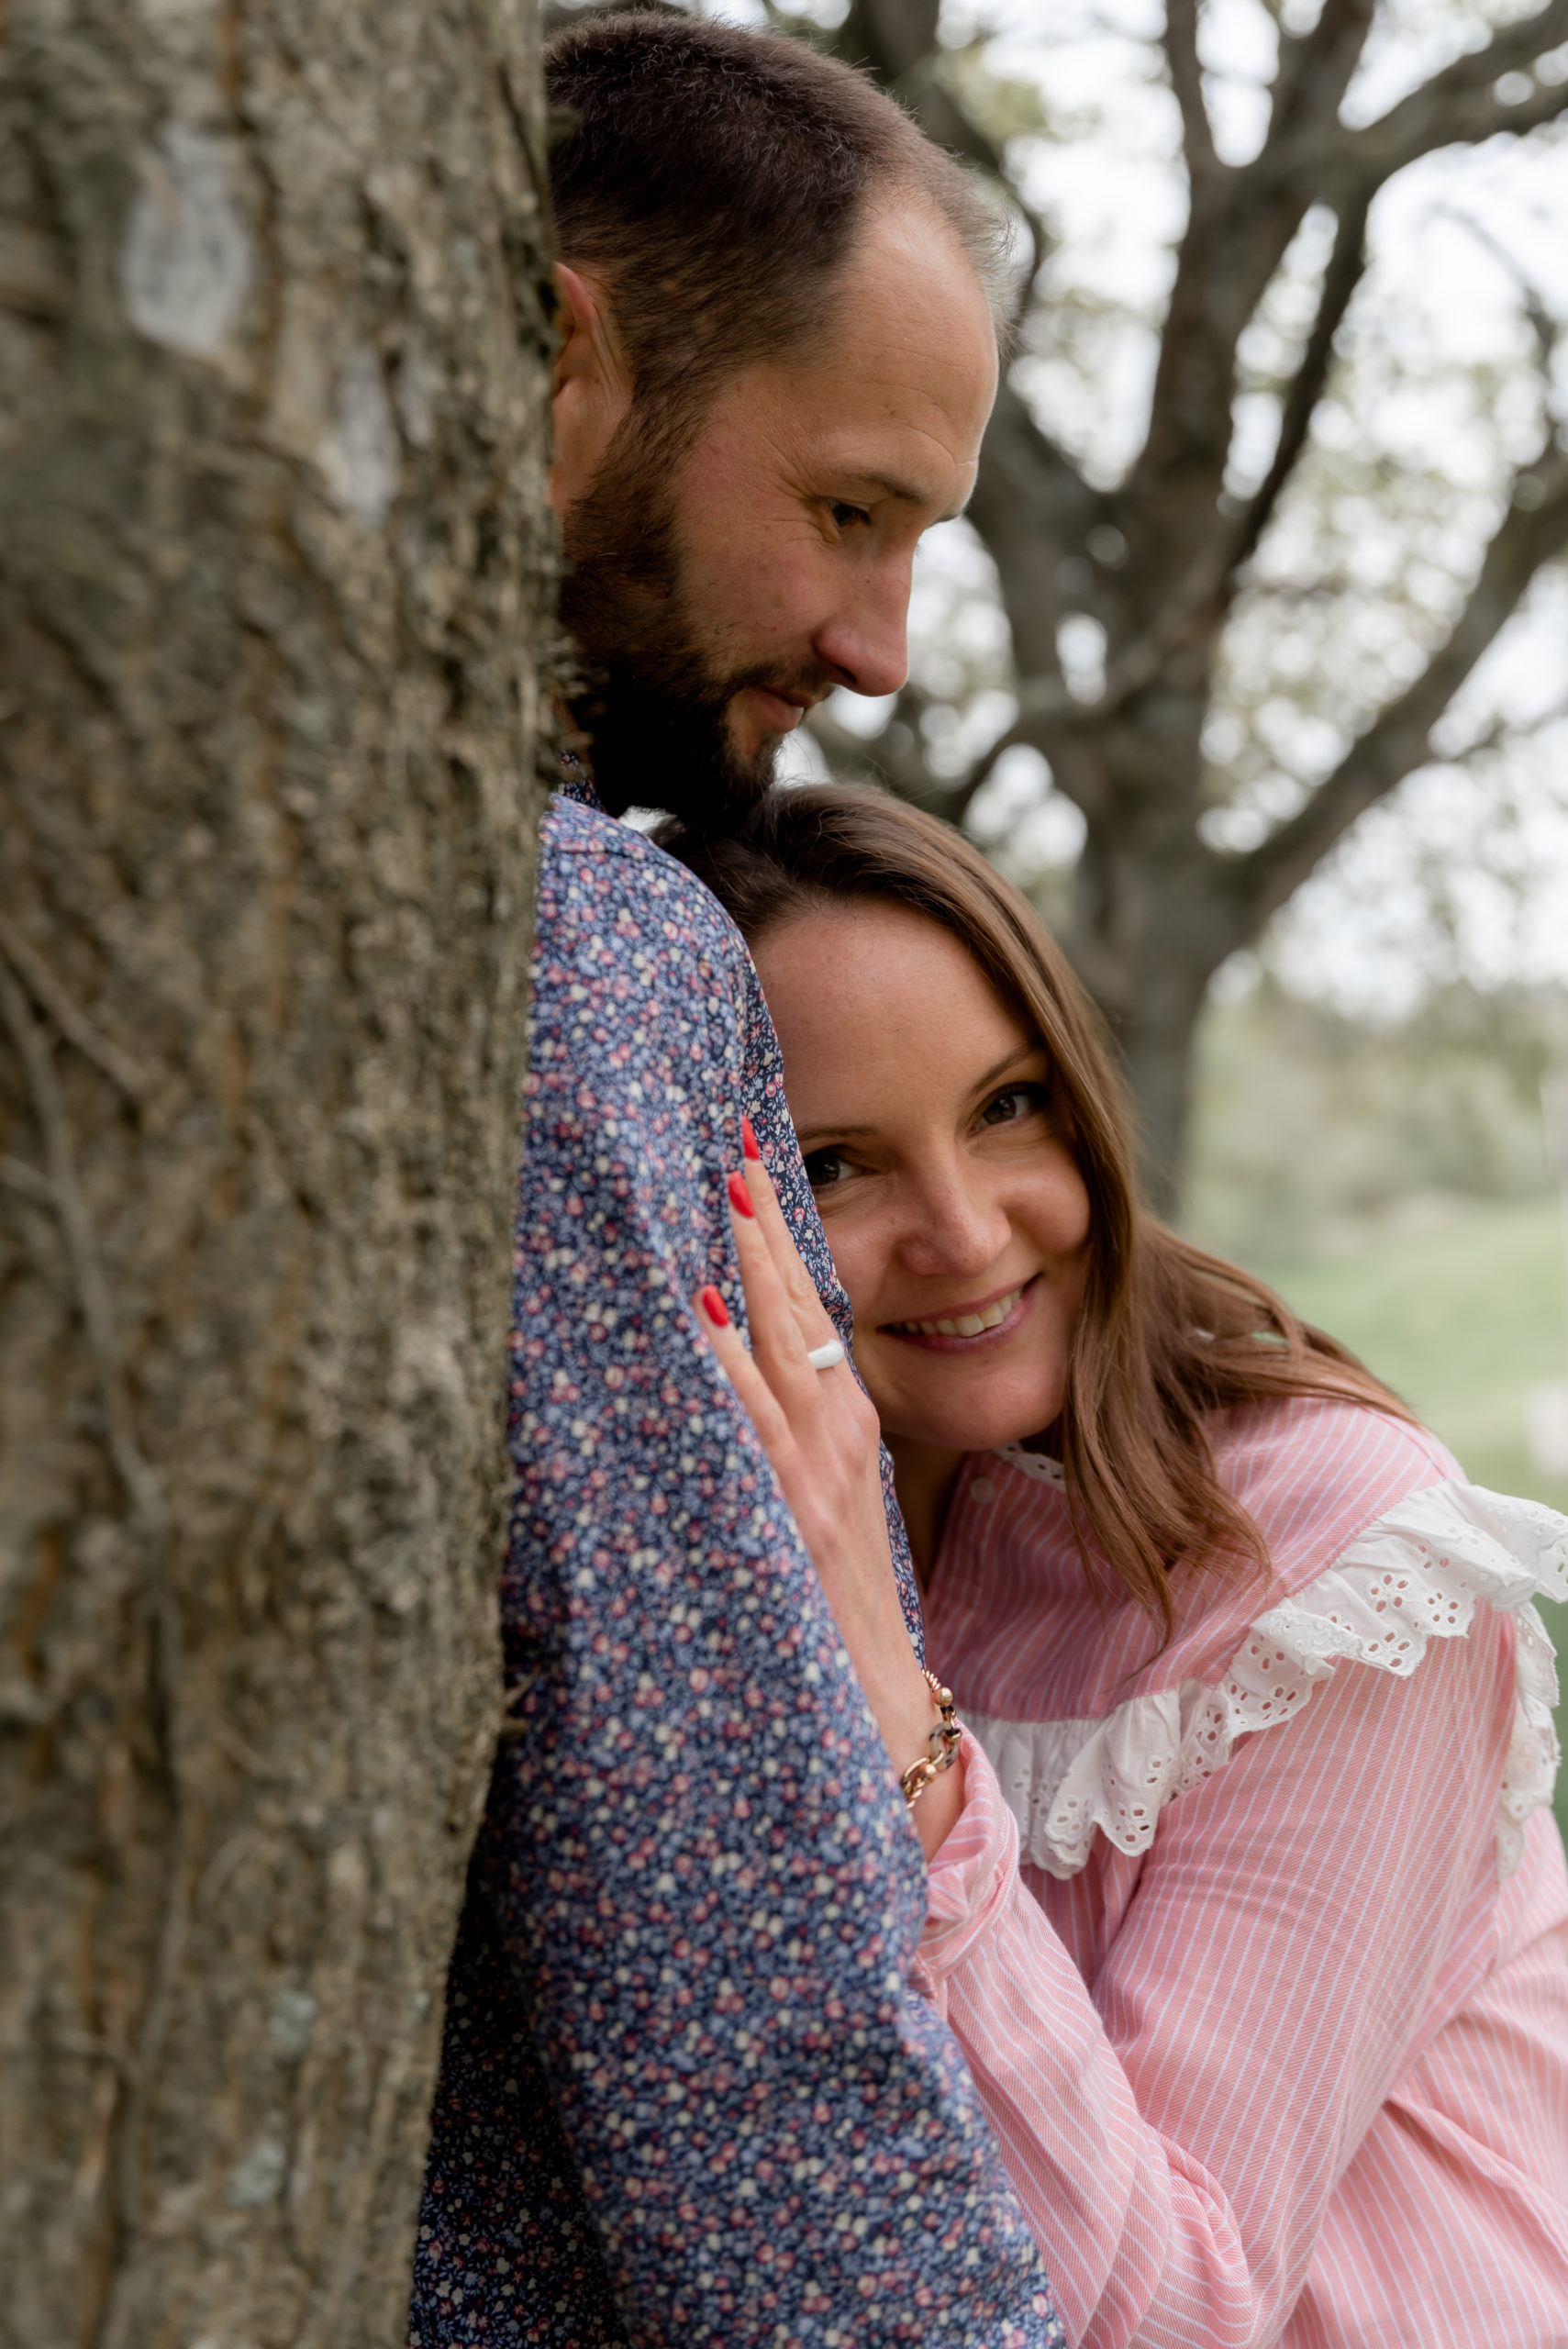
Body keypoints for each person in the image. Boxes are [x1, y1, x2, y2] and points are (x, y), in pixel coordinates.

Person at [409, 17, 1069, 2346]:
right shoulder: (582, 937)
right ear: (559, 355)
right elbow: (740, 1947)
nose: (878, 651)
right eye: (850, 509)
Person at [663, 780, 1568, 2348]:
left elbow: (1174, 2313)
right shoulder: (777, 1528)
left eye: (1006, 1107)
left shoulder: (1326, 1563)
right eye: (832, 1167)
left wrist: (889, 1696)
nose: (966, 1231)